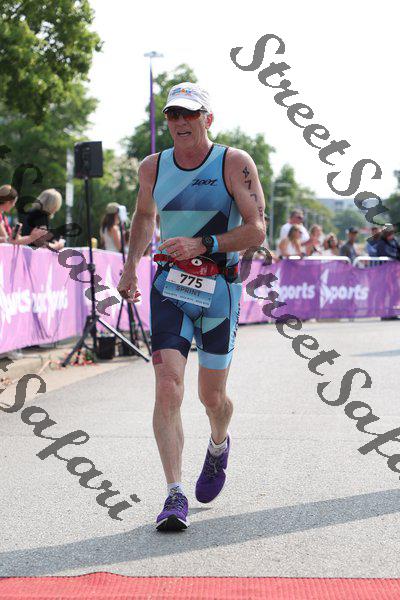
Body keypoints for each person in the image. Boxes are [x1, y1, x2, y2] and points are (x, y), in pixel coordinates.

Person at [117, 81, 266, 532]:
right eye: (173, 114)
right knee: (168, 386)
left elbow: (257, 229)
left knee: (211, 397)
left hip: (220, 290)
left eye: (189, 114)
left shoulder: (233, 163)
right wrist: (130, 267)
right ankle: (174, 493)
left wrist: (203, 244)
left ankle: (219, 444)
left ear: (208, 119)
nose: (180, 122)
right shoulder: (152, 167)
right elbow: (145, 216)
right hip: (170, 288)